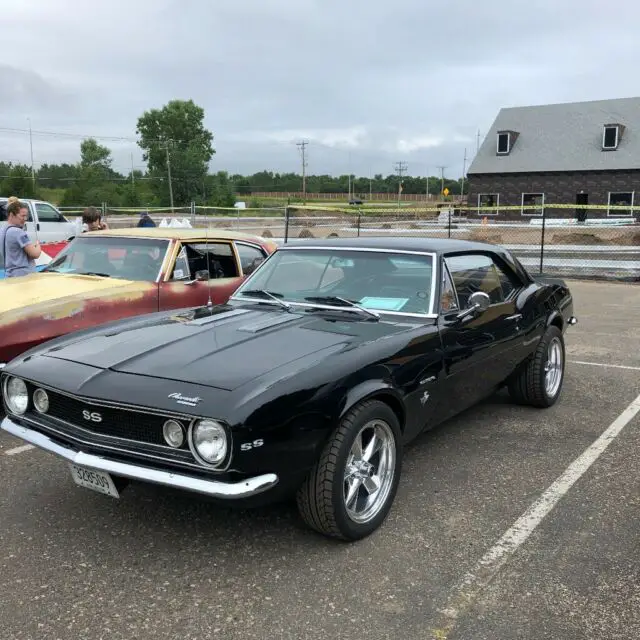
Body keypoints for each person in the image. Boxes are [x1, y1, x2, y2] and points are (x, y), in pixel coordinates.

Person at [0, 199, 41, 277]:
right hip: (23, 275)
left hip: (9, 274)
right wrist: (38, 245)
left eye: (26, 216)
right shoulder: (18, 232)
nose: (25, 219)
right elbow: (34, 254)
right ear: (11, 215)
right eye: (22, 216)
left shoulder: (2, 230)